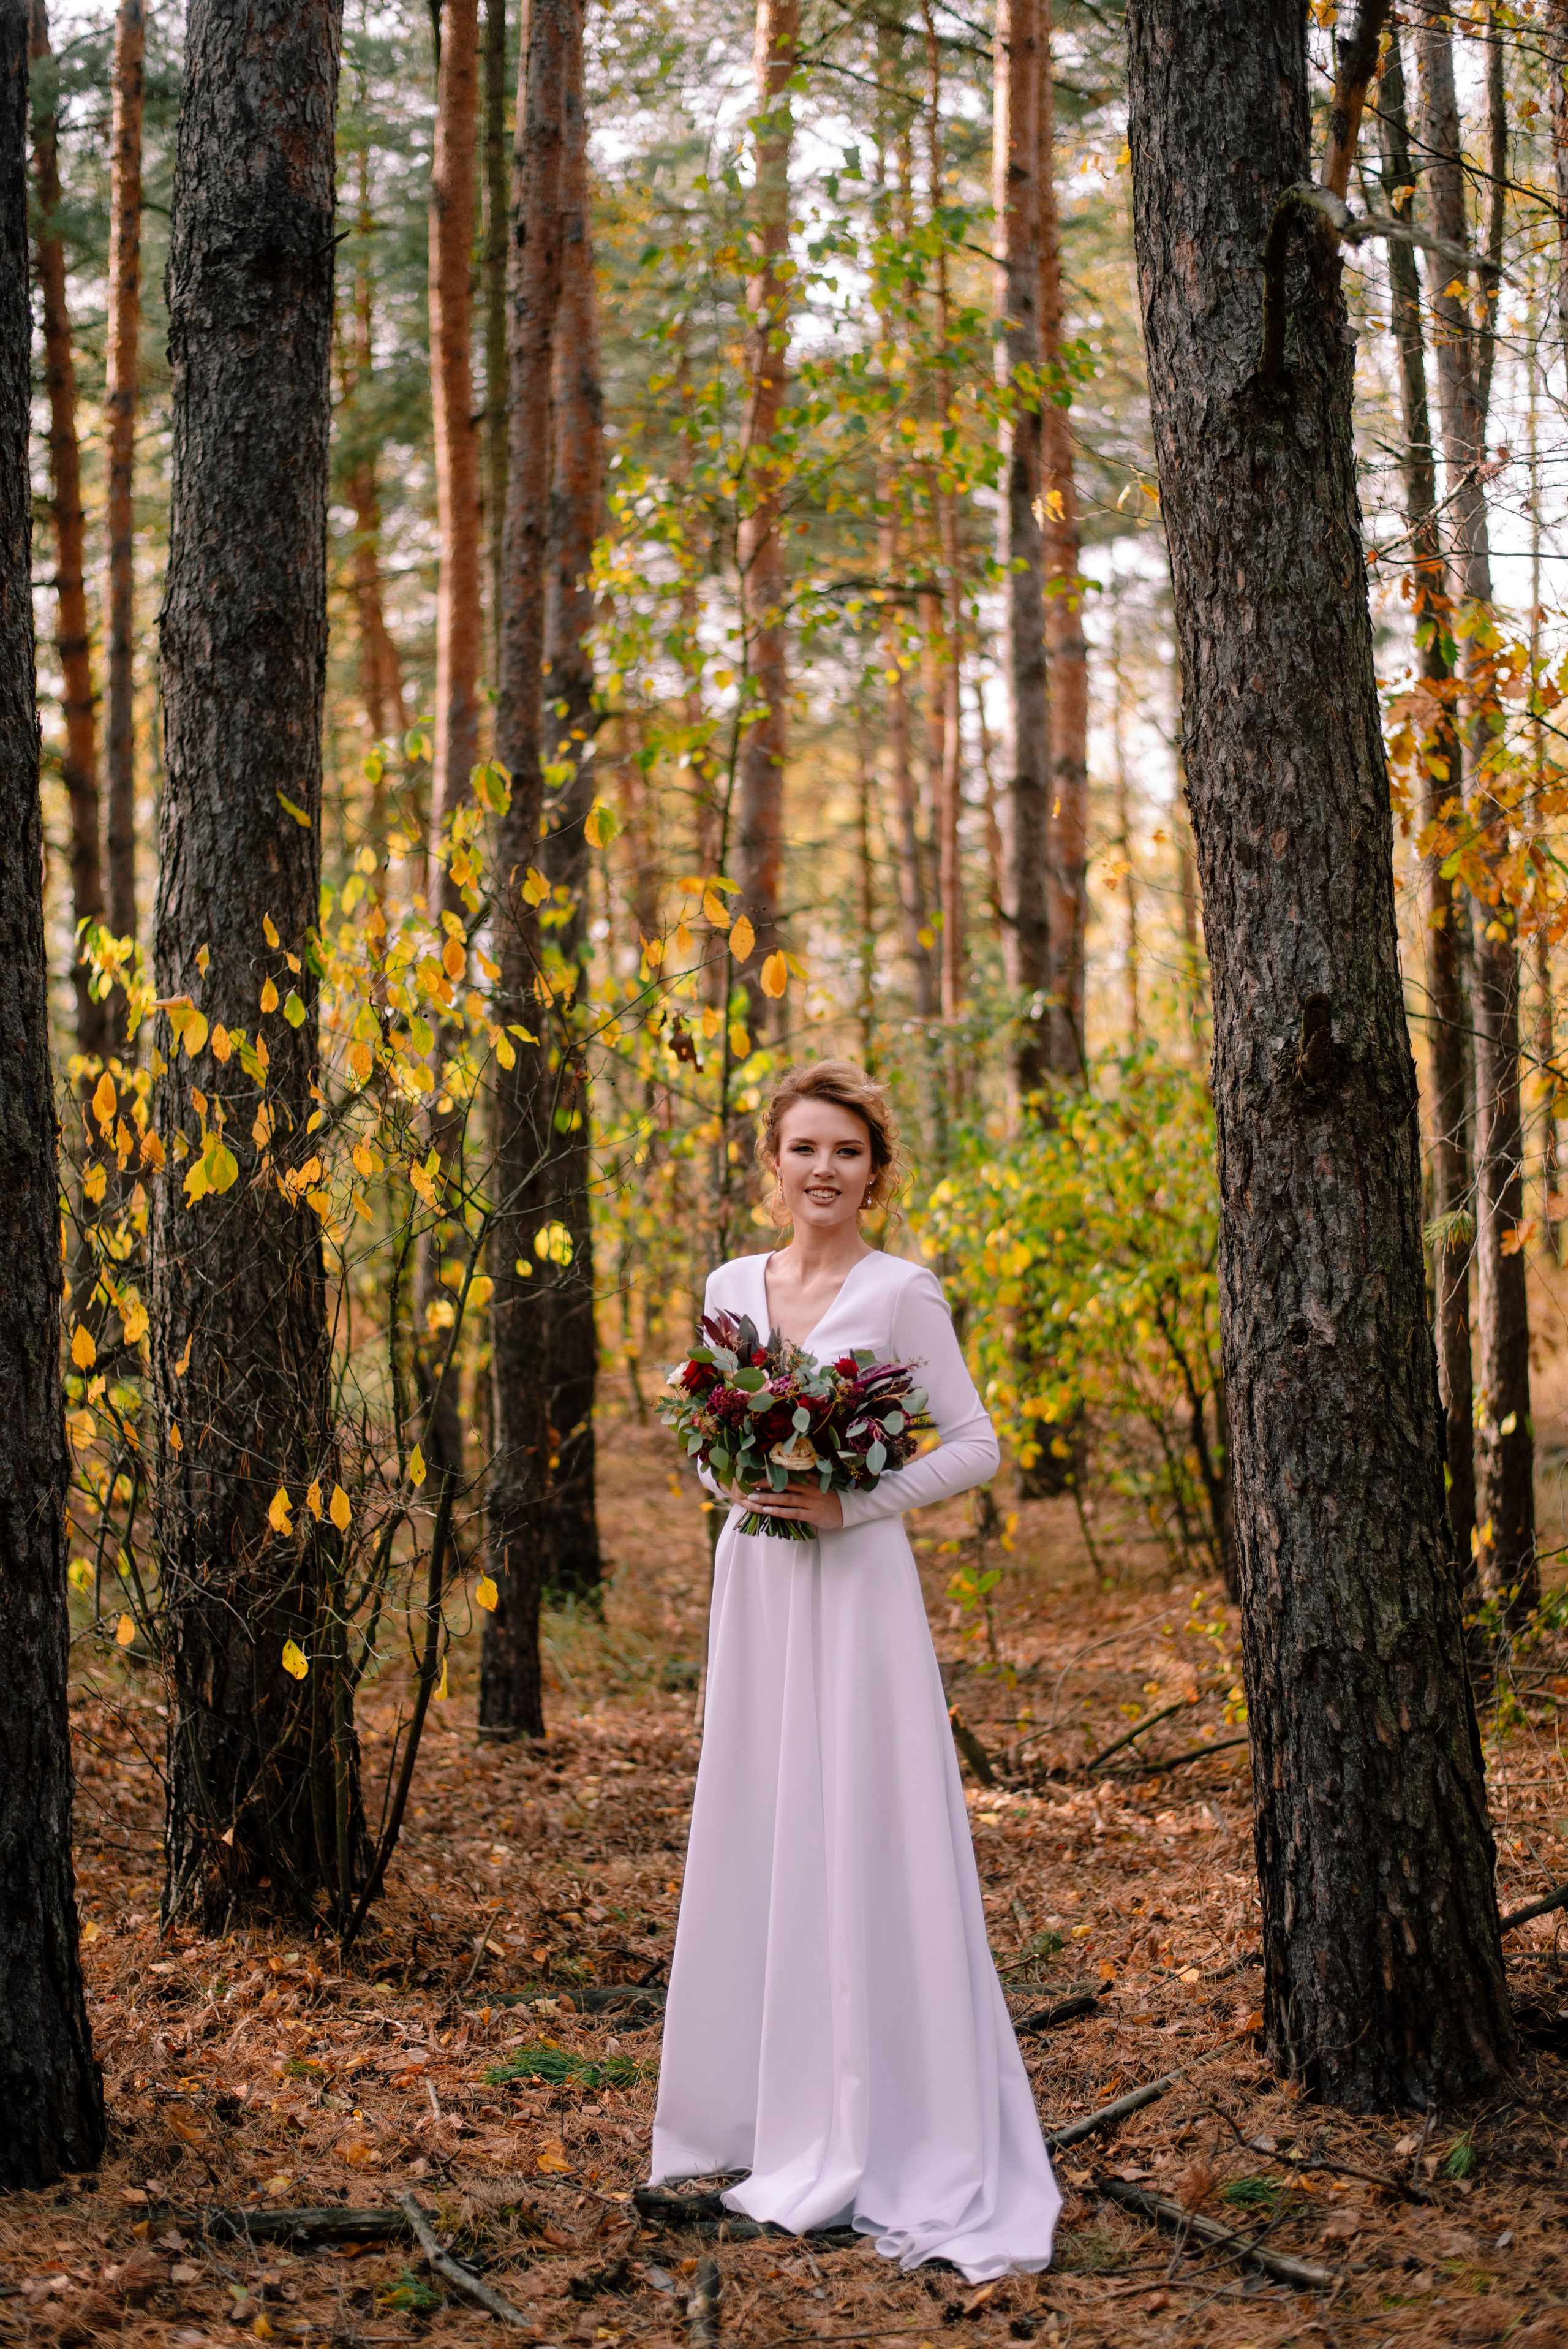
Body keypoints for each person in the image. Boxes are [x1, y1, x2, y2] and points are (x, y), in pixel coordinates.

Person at [649, 1059, 1061, 2281]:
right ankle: (744, 2118)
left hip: (854, 1579)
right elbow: (708, 1434)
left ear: (876, 1170)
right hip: (759, 1579)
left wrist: (857, 1504)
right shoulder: (732, 1283)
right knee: (760, 1817)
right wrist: (729, 1477)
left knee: (857, 1825)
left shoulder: (901, 1292)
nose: (822, 1170)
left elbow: (977, 1445)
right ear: (768, 1162)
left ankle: (872, 2123)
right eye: (802, 1148)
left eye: (845, 1151)